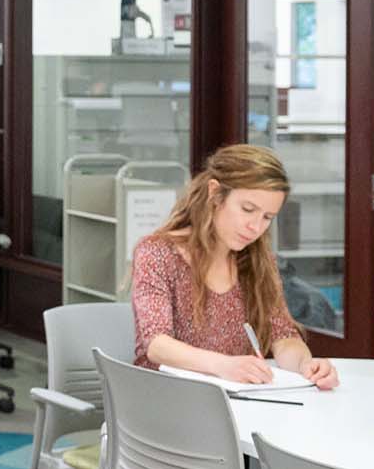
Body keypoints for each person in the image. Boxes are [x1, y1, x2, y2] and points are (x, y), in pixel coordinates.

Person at [129, 144, 339, 390]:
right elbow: (156, 345)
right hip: (167, 399)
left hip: (236, 401)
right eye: (248, 209)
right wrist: (223, 365)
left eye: (267, 217)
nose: (256, 227)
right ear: (215, 194)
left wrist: (307, 366)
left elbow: (283, 337)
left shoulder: (257, 261)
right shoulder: (157, 253)